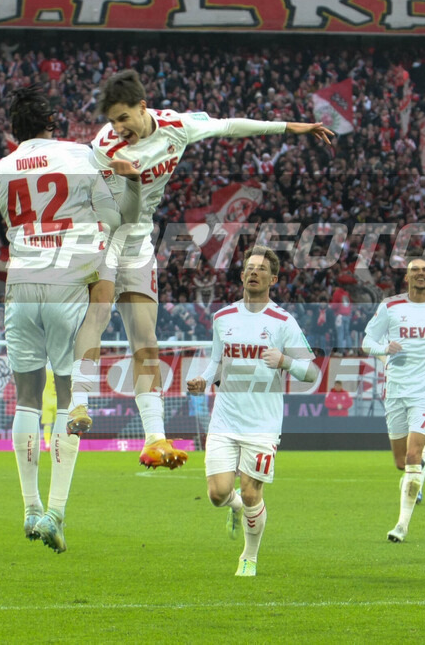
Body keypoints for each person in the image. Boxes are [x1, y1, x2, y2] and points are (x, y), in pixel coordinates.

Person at [70, 68, 334, 470]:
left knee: (146, 339)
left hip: (139, 240)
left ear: (143, 107)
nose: (118, 128)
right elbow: (102, 199)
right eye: (111, 121)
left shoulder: (177, 125)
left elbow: (231, 126)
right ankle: (78, 405)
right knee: (101, 312)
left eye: (123, 118)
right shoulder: (104, 149)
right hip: (102, 234)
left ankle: (155, 438)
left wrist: (291, 128)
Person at [0, 85, 133, 553]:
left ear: (15, 131)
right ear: (52, 124)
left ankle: (28, 509)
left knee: (27, 398)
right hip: (66, 280)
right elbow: (113, 214)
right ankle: (56, 511)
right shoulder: (80, 154)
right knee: (69, 397)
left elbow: (10, 221)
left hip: (20, 285)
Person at [187, 246, 317, 577]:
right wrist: (204, 379)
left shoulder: (284, 322)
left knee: (250, 492)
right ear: (243, 275)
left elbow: (312, 372)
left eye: (261, 268)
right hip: (225, 419)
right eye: (249, 267)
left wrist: (285, 362)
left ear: (273, 279)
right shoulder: (222, 317)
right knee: (217, 494)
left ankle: (249, 555)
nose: (254, 272)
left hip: (262, 424)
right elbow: (217, 361)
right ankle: (235, 510)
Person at [362, 258, 425, 543]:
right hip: (396, 390)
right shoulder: (390, 307)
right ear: (406, 277)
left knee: (412, 456)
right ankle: (420, 467)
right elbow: (367, 342)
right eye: (415, 270)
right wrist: (385, 347)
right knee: (400, 462)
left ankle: (401, 526)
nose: (420, 274)